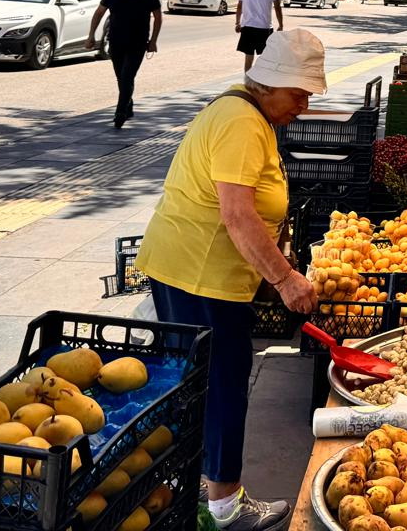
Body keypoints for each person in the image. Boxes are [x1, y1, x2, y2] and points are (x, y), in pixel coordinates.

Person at [135, 30, 324, 531]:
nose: (303, 107)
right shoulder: (242, 122)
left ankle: (197, 486)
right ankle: (224, 507)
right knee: (222, 386)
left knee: (203, 384)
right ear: (272, 83)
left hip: (197, 272)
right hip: (200, 277)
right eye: (299, 94)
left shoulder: (244, 114)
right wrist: (284, 279)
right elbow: (239, 216)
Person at [88, 0, 162, 128]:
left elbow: (157, 17)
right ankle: (128, 105)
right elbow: (99, 12)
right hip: (115, 41)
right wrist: (91, 35)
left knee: (128, 75)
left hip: (138, 42)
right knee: (121, 77)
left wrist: (153, 41)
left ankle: (120, 112)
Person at [236, 0, 284, 72]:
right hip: (264, 27)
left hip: (247, 26)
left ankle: (248, 81)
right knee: (267, 56)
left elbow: (239, 5)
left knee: (248, 56)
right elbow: (277, 7)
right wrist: (281, 25)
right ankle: (263, 79)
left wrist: (237, 23)